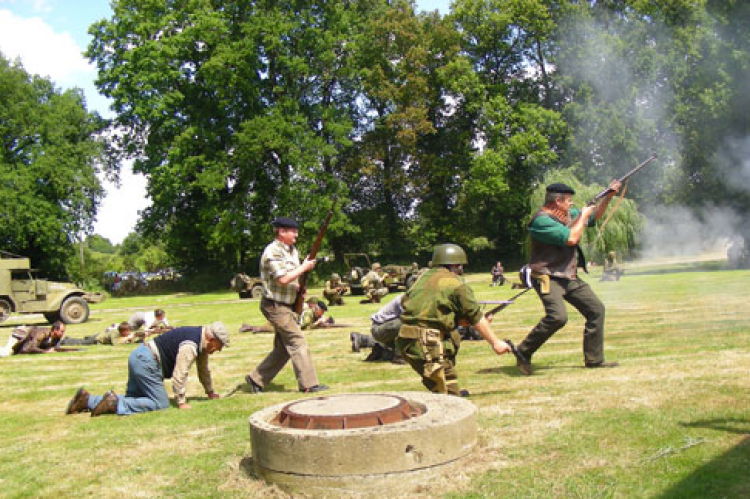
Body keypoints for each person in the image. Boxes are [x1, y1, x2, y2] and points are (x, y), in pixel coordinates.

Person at [514, 181, 621, 376]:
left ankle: (594, 360)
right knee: (557, 317)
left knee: (596, 309)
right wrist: (584, 215)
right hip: (547, 276)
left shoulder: (567, 215)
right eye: (568, 200)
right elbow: (571, 238)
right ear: (557, 201)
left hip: (568, 275)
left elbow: (594, 218)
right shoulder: (541, 221)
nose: (571, 204)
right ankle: (523, 351)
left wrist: (608, 197)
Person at [395, 244, 511, 396]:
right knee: (449, 398)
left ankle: (445, 392)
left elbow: (416, 307)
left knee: (441, 384)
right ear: (456, 265)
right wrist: (496, 343)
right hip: (427, 343)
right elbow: (475, 316)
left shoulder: (421, 280)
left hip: (406, 339)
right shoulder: (456, 284)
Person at [65, 322, 230, 416]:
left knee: (135, 399)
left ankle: (86, 401)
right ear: (211, 339)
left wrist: (210, 392)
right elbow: (180, 373)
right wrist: (181, 401)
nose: (219, 350)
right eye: (219, 345)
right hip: (147, 362)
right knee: (159, 403)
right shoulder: (191, 345)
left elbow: (203, 369)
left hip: (139, 356)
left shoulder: (199, 340)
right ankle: (112, 403)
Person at [244, 216, 327, 394]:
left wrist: (298, 287)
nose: (296, 234)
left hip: (287, 304)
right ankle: (309, 385)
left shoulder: (292, 251)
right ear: (281, 232)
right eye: (292, 231)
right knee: (297, 341)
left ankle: (255, 379)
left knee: (283, 349)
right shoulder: (272, 252)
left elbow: (291, 278)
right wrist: (304, 268)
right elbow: (282, 279)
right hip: (275, 305)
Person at [350, 294, 405, 364]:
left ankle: (380, 350)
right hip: (380, 328)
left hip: (387, 329)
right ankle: (399, 357)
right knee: (404, 324)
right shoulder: (405, 299)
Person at [60, 322, 134, 346]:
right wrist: (127, 339)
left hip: (99, 335)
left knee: (83, 340)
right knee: (82, 342)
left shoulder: (120, 334)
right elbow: (115, 343)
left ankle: (68, 339)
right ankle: (65, 341)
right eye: (128, 331)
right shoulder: (115, 333)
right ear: (123, 331)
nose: (129, 333)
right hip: (97, 338)